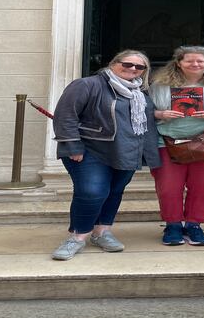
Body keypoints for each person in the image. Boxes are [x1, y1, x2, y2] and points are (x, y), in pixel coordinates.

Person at [50, 50, 160, 260]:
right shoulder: (87, 84)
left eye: (139, 67)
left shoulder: (141, 93)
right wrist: (72, 146)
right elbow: (66, 115)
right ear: (113, 63)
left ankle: (102, 232)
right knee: (91, 191)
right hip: (90, 149)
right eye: (127, 64)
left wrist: (150, 152)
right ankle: (77, 237)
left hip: (127, 150)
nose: (133, 69)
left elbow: (146, 122)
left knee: (114, 191)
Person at [149, 46, 204, 246]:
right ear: (178, 62)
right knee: (168, 187)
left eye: (200, 61)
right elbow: (143, 110)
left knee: (203, 186)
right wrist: (159, 114)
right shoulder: (159, 85)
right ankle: (172, 225)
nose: (195, 64)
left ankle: (194, 225)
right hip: (166, 142)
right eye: (189, 60)